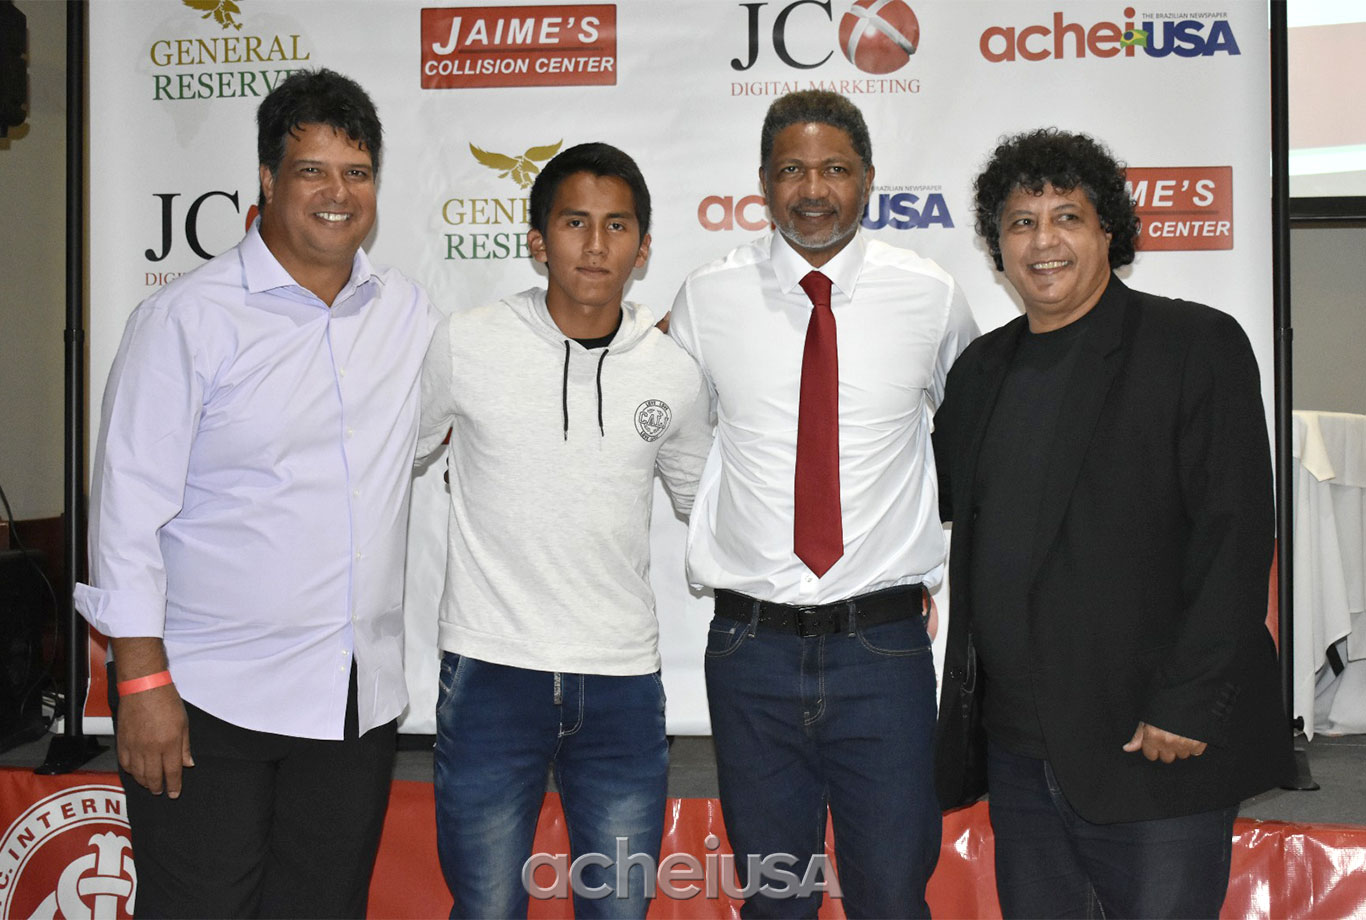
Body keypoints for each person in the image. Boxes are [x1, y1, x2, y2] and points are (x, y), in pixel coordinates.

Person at [75, 69, 439, 918]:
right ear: (268, 181)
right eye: (313, 170)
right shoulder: (186, 320)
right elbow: (126, 515)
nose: (338, 193)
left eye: (357, 173)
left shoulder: (408, 314)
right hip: (206, 698)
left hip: (351, 701)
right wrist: (140, 684)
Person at [933, 128, 1294, 918]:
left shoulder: (1193, 345)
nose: (1043, 241)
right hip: (1018, 752)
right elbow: (948, 508)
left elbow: (1236, 538)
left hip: (1152, 744)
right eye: (1021, 222)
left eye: (1067, 216)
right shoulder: (980, 370)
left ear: (1109, 233)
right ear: (998, 247)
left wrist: (1187, 705)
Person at [668, 90, 977, 919]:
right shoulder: (706, 298)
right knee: (775, 901)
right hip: (750, 650)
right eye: (792, 170)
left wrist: (907, 545)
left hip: (884, 649)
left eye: (835, 169)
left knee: (892, 899)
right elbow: (679, 442)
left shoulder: (931, 296)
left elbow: (973, 438)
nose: (813, 189)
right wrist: (728, 524)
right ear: (763, 182)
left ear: (868, 178)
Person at [419, 142, 712, 920]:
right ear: (537, 239)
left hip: (622, 682)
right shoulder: (465, 342)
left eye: (617, 225)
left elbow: (708, 507)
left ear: (643, 249)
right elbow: (391, 459)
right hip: (490, 671)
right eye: (575, 222)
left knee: (618, 909)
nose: (595, 244)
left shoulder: (672, 369)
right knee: (485, 908)